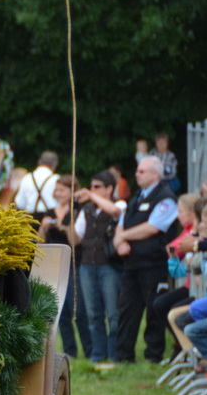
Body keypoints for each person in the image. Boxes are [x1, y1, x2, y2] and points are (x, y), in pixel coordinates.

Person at [112, 155, 182, 364]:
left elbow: (153, 227)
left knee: (153, 309)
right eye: (137, 170)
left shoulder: (166, 198)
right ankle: (123, 355)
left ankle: (153, 354)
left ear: (155, 174)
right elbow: (121, 224)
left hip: (153, 263)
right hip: (132, 263)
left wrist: (123, 237)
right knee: (126, 308)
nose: (137, 174)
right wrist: (118, 242)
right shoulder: (136, 198)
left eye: (142, 171)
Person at [69, 171, 123, 365]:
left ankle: (115, 353)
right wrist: (70, 216)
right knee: (93, 313)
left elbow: (115, 212)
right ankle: (98, 354)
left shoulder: (119, 204)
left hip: (109, 265)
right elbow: (75, 239)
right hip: (87, 265)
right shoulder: (87, 210)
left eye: (97, 187)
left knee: (113, 313)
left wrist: (91, 196)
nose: (92, 190)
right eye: (91, 187)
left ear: (110, 189)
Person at [37, 175, 80, 358]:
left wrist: (66, 227)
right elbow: (40, 241)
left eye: (62, 189)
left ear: (71, 191)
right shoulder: (49, 212)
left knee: (75, 306)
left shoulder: (76, 211)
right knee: (60, 308)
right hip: (54, 263)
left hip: (73, 264)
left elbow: (75, 241)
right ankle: (69, 349)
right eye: (57, 189)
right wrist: (44, 227)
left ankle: (89, 348)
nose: (58, 193)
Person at [14, 150, 61, 217]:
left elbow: (20, 203)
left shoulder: (27, 178)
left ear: (39, 162)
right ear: (55, 164)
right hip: (51, 218)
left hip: (31, 217)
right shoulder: (57, 179)